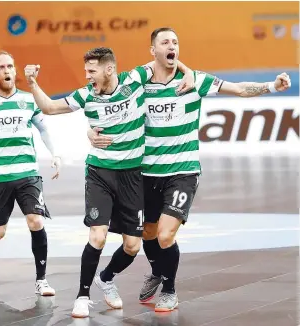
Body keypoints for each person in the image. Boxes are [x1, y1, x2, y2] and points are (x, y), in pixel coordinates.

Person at [87, 27, 292, 313]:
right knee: (147, 234)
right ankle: (153, 272)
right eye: (165, 42)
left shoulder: (194, 81)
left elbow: (238, 89)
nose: (172, 45)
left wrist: (272, 87)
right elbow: (106, 103)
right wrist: (90, 131)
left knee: (166, 235)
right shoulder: (138, 85)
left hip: (182, 172)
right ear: (153, 51)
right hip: (145, 173)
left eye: (176, 41)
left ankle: (169, 291)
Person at [24, 47, 194, 318]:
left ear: (109, 69)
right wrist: (33, 83)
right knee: (97, 235)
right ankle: (82, 296)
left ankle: (107, 278)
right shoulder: (85, 94)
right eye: (86, 71)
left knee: (132, 246)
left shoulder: (135, 79)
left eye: (92, 71)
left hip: (132, 176)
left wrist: (187, 73)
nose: (87, 76)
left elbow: (163, 58)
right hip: (100, 173)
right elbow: (50, 107)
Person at [0, 51, 61, 297]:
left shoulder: (29, 100)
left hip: (27, 173)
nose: (7, 71)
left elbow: (44, 129)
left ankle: (41, 280)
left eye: (10, 66)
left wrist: (55, 153)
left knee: (36, 221)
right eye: (1, 67)